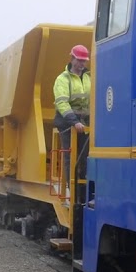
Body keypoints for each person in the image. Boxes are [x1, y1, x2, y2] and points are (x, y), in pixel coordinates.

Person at [52, 44, 91, 184]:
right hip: (68, 123)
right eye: (79, 60)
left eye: (84, 61)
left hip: (85, 122)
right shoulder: (63, 79)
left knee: (85, 156)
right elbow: (62, 103)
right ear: (72, 58)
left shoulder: (88, 77)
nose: (82, 64)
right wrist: (74, 122)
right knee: (71, 156)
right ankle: (71, 188)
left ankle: (83, 187)